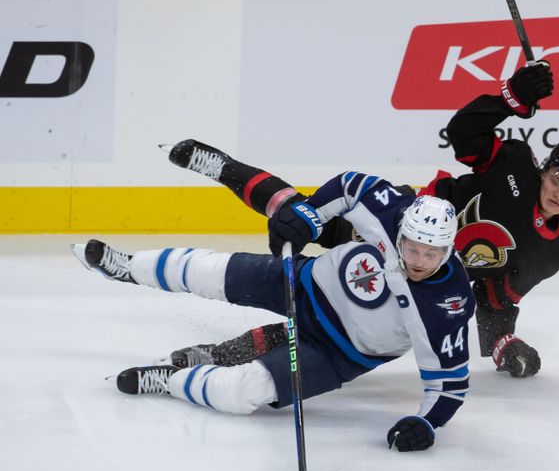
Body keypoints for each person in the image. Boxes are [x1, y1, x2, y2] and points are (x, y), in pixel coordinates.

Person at [161, 61, 559, 378]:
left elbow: (497, 297)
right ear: (545, 169)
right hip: (398, 228)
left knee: (336, 328)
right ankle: (223, 168)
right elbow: (465, 133)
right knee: (301, 216)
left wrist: (503, 343)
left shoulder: (549, 254)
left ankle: (218, 354)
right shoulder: (515, 163)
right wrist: (511, 99)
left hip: (421, 285)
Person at [72, 174, 474, 453]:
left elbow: (449, 386)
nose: (419, 260)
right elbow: (353, 185)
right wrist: (310, 215)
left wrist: (426, 424)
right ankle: (129, 267)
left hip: (336, 354)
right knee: (213, 272)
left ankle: (172, 381)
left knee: (243, 391)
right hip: (305, 283)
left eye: (432, 252)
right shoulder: (393, 212)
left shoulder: (448, 306)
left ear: (449, 248)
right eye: (412, 247)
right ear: (402, 231)